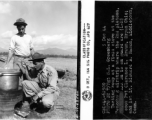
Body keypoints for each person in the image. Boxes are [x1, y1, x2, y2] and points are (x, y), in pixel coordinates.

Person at [15, 52, 60, 117]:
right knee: (25, 83)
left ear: (41, 62)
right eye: (33, 63)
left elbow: (52, 88)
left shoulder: (50, 71)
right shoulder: (39, 69)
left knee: (46, 102)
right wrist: (24, 68)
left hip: (52, 91)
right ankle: (35, 103)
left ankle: (50, 106)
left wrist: (38, 95)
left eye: (35, 64)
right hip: (42, 89)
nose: (34, 65)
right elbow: (32, 80)